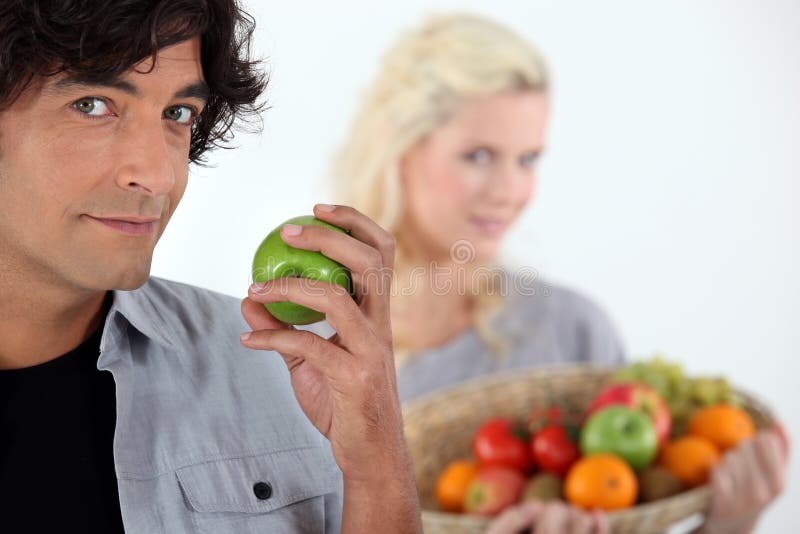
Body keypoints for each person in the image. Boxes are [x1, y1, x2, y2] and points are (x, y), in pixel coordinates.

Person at [332, 13, 789, 533]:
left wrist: (727, 526)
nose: (510, 190)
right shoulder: (320, 350)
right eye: (479, 156)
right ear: (398, 151)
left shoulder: (572, 330)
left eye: (528, 159)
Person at [0, 1, 421, 533]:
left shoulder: (286, 373)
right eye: (92, 104)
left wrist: (378, 472)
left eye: (177, 114)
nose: (157, 174)